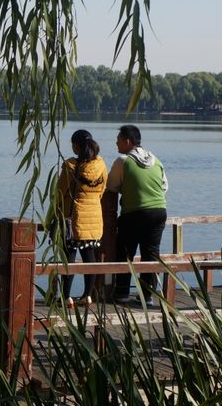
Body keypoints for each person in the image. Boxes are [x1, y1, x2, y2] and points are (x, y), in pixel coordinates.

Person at [107, 124, 168, 306]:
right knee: (151, 254)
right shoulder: (156, 160)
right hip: (159, 211)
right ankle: (147, 296)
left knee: (125, 253)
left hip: (134, 213)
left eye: (118, 139)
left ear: (127, 141)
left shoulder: (123, 161)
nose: (116, 143)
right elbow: (165, 186)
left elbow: (111, 186)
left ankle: (122, 294)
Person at [57, 129, 107, 308]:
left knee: (68, 257)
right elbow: (102, 191)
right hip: (94, 216)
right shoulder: (101, 165)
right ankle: (87, 295)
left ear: (76, 146)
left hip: (73, 218)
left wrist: (54, 213)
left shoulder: (70, 166)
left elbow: (60, 192)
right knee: (89, 256)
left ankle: (66, 296)